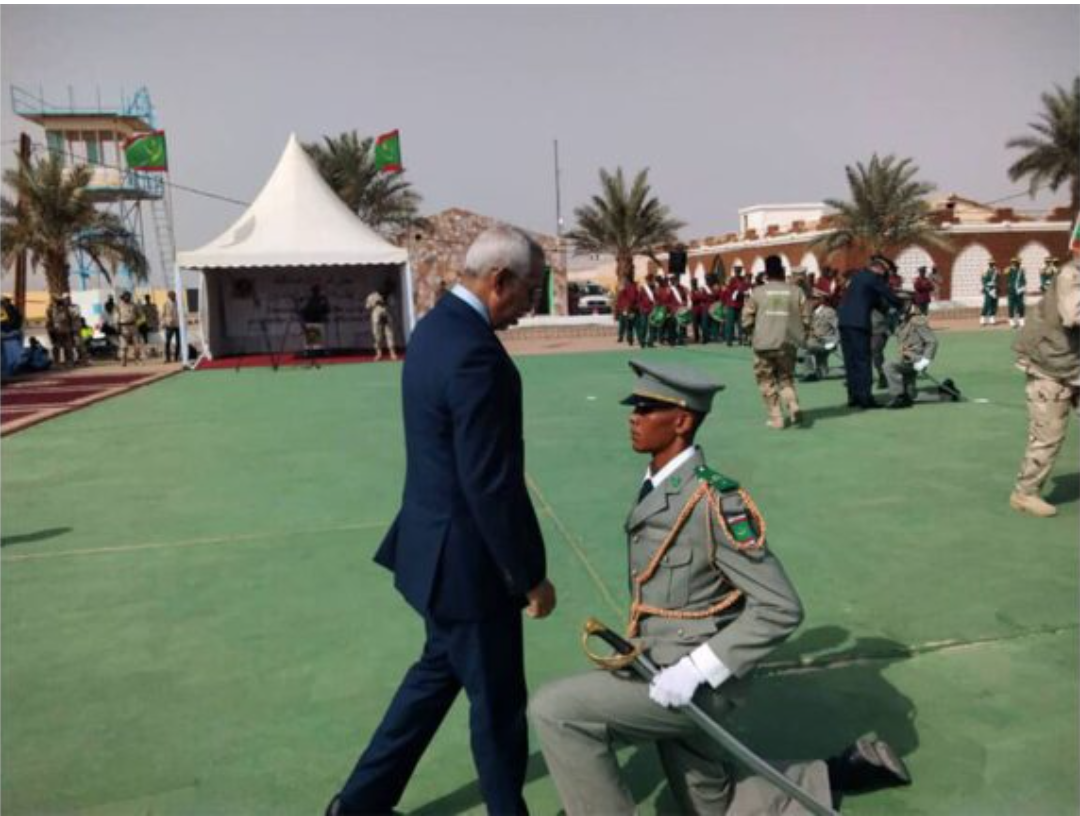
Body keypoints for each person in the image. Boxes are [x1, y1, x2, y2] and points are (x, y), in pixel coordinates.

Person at [529, 359, 911, 815]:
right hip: (658, 662)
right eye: (635, 405)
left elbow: (780, 607)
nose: (634, 415)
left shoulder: (714, 500)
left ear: (682, 420)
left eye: (648, 407)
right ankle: (834, 774)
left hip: (696, 682)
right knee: (711, 806)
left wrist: (696, 669)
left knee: (557, 711)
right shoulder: (660, 483)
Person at [327, 226, 556, 816]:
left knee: (433, 683)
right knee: (499, 705)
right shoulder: (475, 352)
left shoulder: (433, 330)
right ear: (499, 280)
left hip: (433, 554)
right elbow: (489, 483)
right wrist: (529, 573)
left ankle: (357, 806)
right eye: (531, 289)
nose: (533, 304)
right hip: (470, 567)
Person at [1009, 233, 1080, 518]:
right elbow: (1073, 314)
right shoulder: (1071, 275)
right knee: (1048, 435)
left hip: (1076, 366)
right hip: (1050, 368)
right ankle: (1025, 494)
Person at [742, 255, 809, 428]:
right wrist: (803, 334)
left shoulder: (758, 292)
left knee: (766, 380)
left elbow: (746, 319)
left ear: (766, 274)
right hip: (788, 342)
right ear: (783, 272)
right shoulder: (796, 292)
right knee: (786, 378)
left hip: (764, 343)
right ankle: (793, 404)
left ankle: (777, 418)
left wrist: (753, 333)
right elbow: (807, 317)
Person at [838, 255, 904, 409]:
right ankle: (865, 399)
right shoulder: (873, 278)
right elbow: (889, 295)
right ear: (880, 268)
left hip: (844, 322)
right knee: (863, 361)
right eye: (886, 272)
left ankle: (853, 397)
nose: (886, 275)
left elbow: (871, 299)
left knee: (851, 362)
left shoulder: (858, 277)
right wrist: (903, 305)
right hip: (859, 324)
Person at [883, 295, 959, 409]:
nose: (898, 305)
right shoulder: (902, 319)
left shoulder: (917, 320)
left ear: (909, 303)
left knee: (888, 365)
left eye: (902, 302)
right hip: (906, 357)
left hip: (915, 359)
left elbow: (932, 341)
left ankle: (898, 396)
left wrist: (925, 360)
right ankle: (947, 394)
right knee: (911, 395)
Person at [799, 290, 839, 381]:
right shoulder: (811, 312)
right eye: (810, 299)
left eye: (814, 299)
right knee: (822, 371)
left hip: (826, 342)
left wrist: (834, 342)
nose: (811, 301)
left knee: (805, 349)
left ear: (821, 300)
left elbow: (838, 327)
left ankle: (809, 374)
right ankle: (822, 372)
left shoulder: (829, 312)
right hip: (816, 341)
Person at [364, 290, 398, 361]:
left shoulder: (388, 295)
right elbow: (367, 307)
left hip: (386, 312)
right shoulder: (371, 296)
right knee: (377, 335)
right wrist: (374, 303)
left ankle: (392, 353)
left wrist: (386, 302)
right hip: (376, 313)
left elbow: (392, 304)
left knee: (389, 334)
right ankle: (379, 353)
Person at [301, 284, 331, 357]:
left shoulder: (322, 299)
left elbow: (327, 309)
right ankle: (310, 353)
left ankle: (318, 353)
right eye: (315, 290)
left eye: (317, 290)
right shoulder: (310, 300)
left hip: (318, 321)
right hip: (311, 321)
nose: (316, 292)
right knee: (312, 340)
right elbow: (304, 311)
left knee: (318, 341)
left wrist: (325, 302)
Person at [116, 290, 144, 366]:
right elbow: (116, 318)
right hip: (123, 327)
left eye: (129, 296)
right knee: (124, 346)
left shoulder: (134, 305)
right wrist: (117, 327)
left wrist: (137, 323)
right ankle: (123, 361)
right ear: (123, 297)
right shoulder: (119, 306)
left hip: (133, 326)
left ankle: (137, 360)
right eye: (126, 296)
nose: (127, 297)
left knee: (137, 345)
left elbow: (141, 316)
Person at [1, 295, 25, 379]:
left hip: (9, 334)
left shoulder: (9, 310)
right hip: (10, 334)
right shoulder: (11, 310)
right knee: (11, 355)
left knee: (10, 355)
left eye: (3, 302)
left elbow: (5, 323)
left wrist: (7, 331)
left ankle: (7, 373)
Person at [615, 277, 640, 346]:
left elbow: (632, 299)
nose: (623, 283)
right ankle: (630, 339)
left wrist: (628, 309)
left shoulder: (629, 289)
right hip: (626, 310)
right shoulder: (624, 289)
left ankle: (631, 340)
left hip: (629, 310)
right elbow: (619, 301)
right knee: (628, 325)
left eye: (624, 281)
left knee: (630, 326)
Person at [161, 290, 181, 363]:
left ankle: (176, 357)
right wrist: (164, 323)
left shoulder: (178, 303)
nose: (173, 296)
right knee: (167, 342)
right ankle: (167, 358)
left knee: (179, 342)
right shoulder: (166, 304)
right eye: (171, 295)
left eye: (174, 295)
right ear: (169, 296)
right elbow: (162, 315)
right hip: (169, 325)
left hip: (178, 325)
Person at [1006, 257, 1027, 329]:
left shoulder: (1021, 271)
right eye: (1014, 263)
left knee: (1020, 306)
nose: (1016, 264)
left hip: (1019, 291)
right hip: (1011, 291)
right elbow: (1006, 277)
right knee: (1011, 306)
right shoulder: (1009, 270)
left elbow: (1024, 280)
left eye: (1017, 263)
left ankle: (1021, 320)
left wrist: (1023, 287)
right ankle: (1011, 320)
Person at [980, 262, 999, 326]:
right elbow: (983, 281)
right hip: (988, 289)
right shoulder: (985, 271)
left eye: (993, 264)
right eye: (991, 264)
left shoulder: (996, 271)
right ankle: (983, 318)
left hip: (994, 289)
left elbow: (998, 280)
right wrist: (987, 288)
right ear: (989, 265)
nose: (992, 265)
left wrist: (996, 288)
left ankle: (992, 318)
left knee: (994, 304)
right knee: (987, 304)